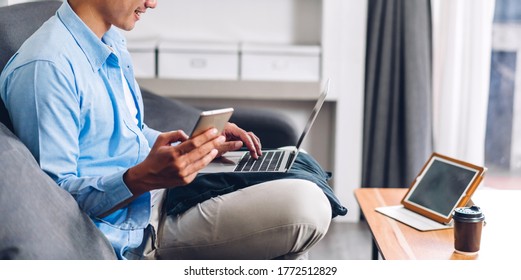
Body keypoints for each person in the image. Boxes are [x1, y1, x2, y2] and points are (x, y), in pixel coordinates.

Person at [0, 0, 341, 260]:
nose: (152, 3)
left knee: (294, 164)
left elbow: (127, 133)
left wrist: (193, 146)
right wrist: (142, 178)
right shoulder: (46, 69)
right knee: (305, 204)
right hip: (135, 230)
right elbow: (55, 202)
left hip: (161, 196)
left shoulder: (109, 40)